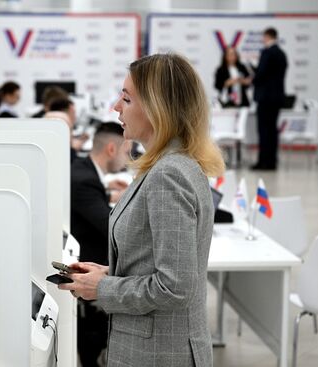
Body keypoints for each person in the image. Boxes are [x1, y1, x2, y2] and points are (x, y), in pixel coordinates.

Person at [59, 53, 225, 367]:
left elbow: (174, 287)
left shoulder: (169, 174)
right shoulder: (167, 166)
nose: (115, 107)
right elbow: (160, 267)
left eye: (126, 99)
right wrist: (108, 274)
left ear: (155, 109)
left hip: (160, 353)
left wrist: (103, 288)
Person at [71, 122, 131, 367]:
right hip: (91, 261)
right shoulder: (84, 180)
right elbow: (112, 228)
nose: (128, 161)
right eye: (127, 152)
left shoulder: (84, 170)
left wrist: (107, 194)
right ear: (110, 149)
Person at [251, 27, 288, 170]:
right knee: (272, 131)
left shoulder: (267, 52)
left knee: (264, 131)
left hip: (265, 98)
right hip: (277, 98)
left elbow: (261, 74)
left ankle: (263, 162)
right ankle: (272, 162)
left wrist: (253, 78)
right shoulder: (282, 54)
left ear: (267, 36)